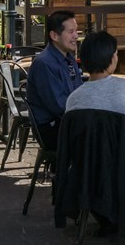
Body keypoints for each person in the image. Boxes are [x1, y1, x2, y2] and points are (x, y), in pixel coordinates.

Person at [65, 30, 125, 168]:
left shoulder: (73, 98)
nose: (117, 57)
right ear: (110, 58)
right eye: (116, 53)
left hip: (88, 169)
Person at [26, 10, 83, 149]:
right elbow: (59, 106)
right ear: (54, 35)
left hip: (68, 121)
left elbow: (79, 91)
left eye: (76, 31)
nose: (76, 36)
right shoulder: (44, 64)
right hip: (51, 128)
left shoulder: (68, 58)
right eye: (71, 32)